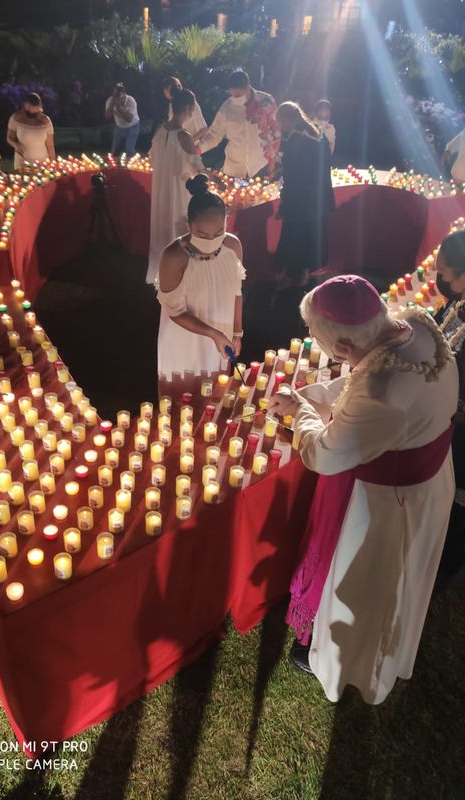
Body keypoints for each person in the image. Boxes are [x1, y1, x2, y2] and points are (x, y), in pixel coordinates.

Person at [268, 275, 458, 704]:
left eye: (315, 336)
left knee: (369, 584)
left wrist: (300, 411)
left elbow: (324, 454)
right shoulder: (416, 324)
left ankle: (348, 665)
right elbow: (363, 376)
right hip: (429, 478)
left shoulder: (381, 391)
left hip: (391, 502)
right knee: (400, 580)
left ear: (342, 350)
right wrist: (310, 396)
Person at [157, 174, 246, 382]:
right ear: (188, 225)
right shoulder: (174, 256)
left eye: (219, 232)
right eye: (203, 235)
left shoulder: (232, 246)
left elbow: (237, 292)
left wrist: (237, 333)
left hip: (221, 331)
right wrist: (213, 334)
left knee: (216, 391)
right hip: (186, 337)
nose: (211, 241)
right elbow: (176, 312)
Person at [147, 89, 204, 285]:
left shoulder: (160, 130)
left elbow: (152, 158)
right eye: (191, 110)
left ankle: (160, 274)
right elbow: (198, 168)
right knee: (179, 228)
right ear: (187, 109)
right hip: (178, 191)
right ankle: (178, 276)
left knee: (162, 229)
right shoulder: (184, 135)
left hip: (161, 189)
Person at [274, 101, 335, 286]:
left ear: (286, 120)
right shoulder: (316, 132)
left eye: (280, 122)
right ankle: (305, 273)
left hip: (301, 198)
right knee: (310, 235)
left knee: (296, 236)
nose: (279, 127)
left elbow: (294, 175)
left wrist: (284, 202)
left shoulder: (295, 140)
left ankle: (295, 277)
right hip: (317, 196)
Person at [434, 230, 465, 586]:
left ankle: (448, 565)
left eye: (444, 273)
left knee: (459, 491)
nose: (438, 279)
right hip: (447, 409)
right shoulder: (456, 300)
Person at [197, 69, 278, 178]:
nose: (236, 99)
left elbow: (276, 131)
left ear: (247, 87)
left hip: (261, 166)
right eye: (233, 95)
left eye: (238, 96)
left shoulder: (266, 101)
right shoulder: (227, 108)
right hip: (234, 169)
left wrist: (274, 159)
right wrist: (197, 150)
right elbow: (214, 135)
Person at [7, 92, 56, 170]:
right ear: (25, 105)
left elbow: (50, 146)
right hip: (22, 162)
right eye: (29, 111)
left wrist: (53, 164)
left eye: (35, 112)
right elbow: (9, 137)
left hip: (42, 162)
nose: (32, 114)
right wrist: (15, 144)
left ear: (40, 108)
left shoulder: (46, 121)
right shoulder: (16, 118)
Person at [162, 76, 207, 141]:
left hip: (192, 147)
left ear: (169, 88)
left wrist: (189, 143)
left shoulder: (191, 103)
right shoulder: (171, 105)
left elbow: (203, 129)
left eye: (164, 89)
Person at [105, 82, 140, 157]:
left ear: (124, 94)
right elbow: (107, 116)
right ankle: (115, 168)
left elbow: (129, 119)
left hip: (133, 126)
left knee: (129, 150)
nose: (119, 98)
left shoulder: (131, 100)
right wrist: (112, 104)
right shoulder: (110, 100)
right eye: (116, 96)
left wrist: (119, 107)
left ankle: (133, 166)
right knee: (114, 152)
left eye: (120, 95)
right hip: (119, 127)